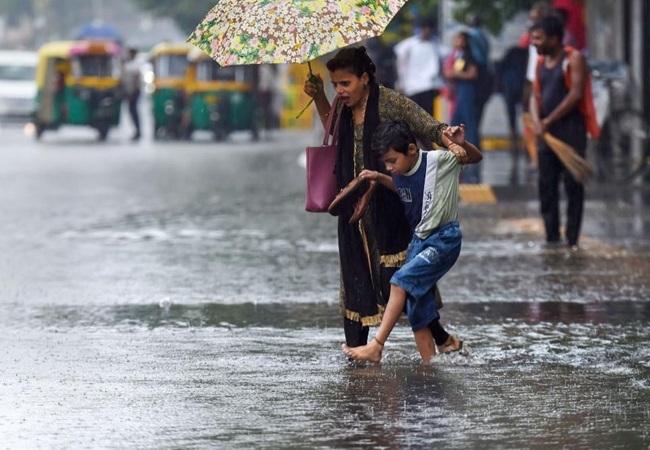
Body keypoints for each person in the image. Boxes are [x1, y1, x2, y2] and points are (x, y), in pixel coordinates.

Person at [303, 46, 469, 357]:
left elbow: (428, 126)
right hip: (353, 208)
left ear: (364, 78)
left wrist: (453, 144)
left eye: (345, 84)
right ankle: (357, 353)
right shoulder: (341, 105)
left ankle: (440, 339)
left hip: (389, 206)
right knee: (355, 276)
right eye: (334, 84)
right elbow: (333, 131)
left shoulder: (390, 101)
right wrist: (318, 97)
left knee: (399, 279)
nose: (339, 91)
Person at [342, 120, 482, 363]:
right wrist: (378, 176)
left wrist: (462, 145)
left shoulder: (439, 161)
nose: (390, 167)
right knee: (416, 306)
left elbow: (475, 158)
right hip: (419, 241)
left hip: (443, 239)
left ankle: (376, 346)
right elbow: (402, 189)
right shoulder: (400, 171)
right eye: (385, 163)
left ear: (411, 149)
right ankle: (430, 364)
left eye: (392, 161)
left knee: (399, 283)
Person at [528, 15, 593, 250]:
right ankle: (552, 237)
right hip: (547, 137)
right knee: (547, 186)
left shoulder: (573, 58)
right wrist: (537, 121)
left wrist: (548, 120)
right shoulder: (540, 63)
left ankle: (572, 239)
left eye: (538, 38)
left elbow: (575, 94)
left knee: (573, 186)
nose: (533, 43)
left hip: (570, 133)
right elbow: (536, 96)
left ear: (554, 39)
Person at [443, 31, 480, 184]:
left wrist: (456, 74)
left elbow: (472, 74)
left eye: (460, 39)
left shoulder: (468, 56)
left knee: (469, 125)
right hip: (459, 94)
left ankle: (472, 154)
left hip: (468, 93)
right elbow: (448, 73)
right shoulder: (456, 56)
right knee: (456, 123)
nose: (457, 41)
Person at [393, 17, 447, 116]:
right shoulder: (408, 45)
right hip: (412, 87)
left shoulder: (436, 45)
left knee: (428, 117)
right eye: (424, 28)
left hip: (429, 86)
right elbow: (401, 65)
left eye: (429, 28)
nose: (426, 30)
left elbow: (446, 59)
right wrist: (401, 84)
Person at [121, 47, 141, 141]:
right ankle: (136, 130)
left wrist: (132, 91)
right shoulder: (127, 64)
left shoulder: (135, 64)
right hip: (128, 91)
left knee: (134, 111)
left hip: (133, 91)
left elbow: (136, 79)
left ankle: (138, 131)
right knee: (131, 111)